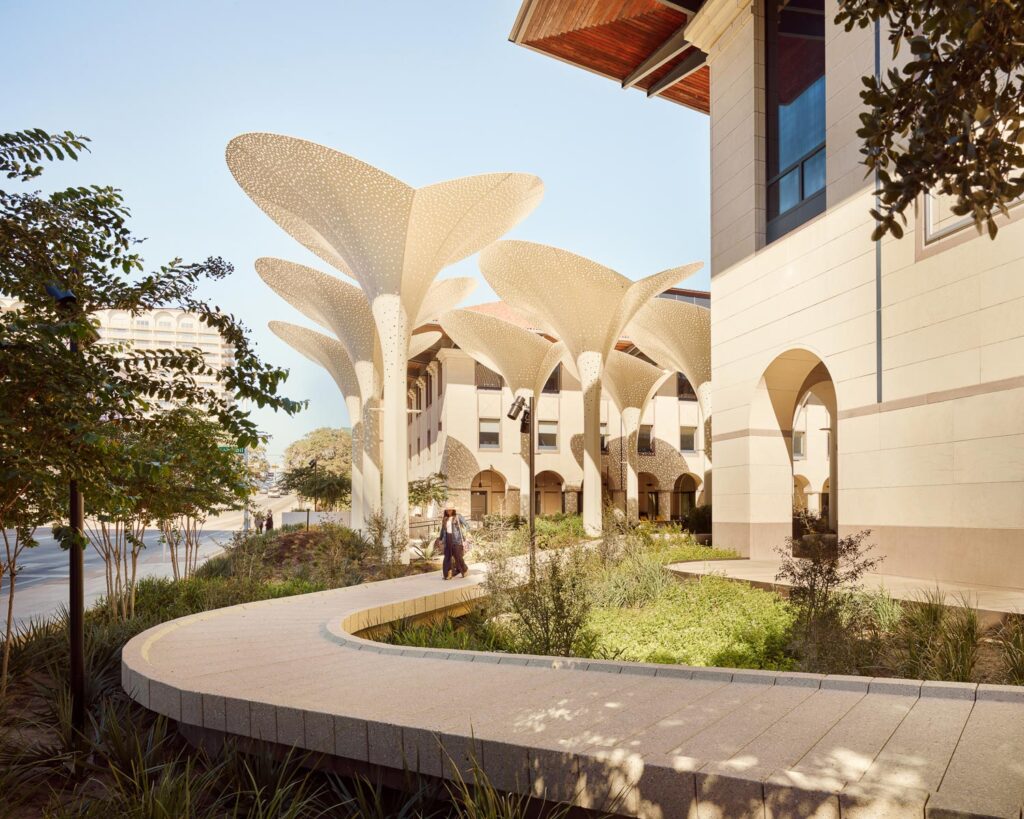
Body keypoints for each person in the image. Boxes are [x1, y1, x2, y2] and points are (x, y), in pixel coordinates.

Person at [437, 506, 469, 580]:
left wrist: (467, 533)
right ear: (446, 510)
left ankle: (464, 569)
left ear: (453, 510)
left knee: (457, 556)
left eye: (450, 509)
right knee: (447, 557)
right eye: (447, 509)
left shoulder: (458, 517)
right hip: (447, 539)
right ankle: (448, 574)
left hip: (457, 539)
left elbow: (467, 525)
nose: (449, 511)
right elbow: (443, 530)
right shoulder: (445, 519)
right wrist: (440, 538)